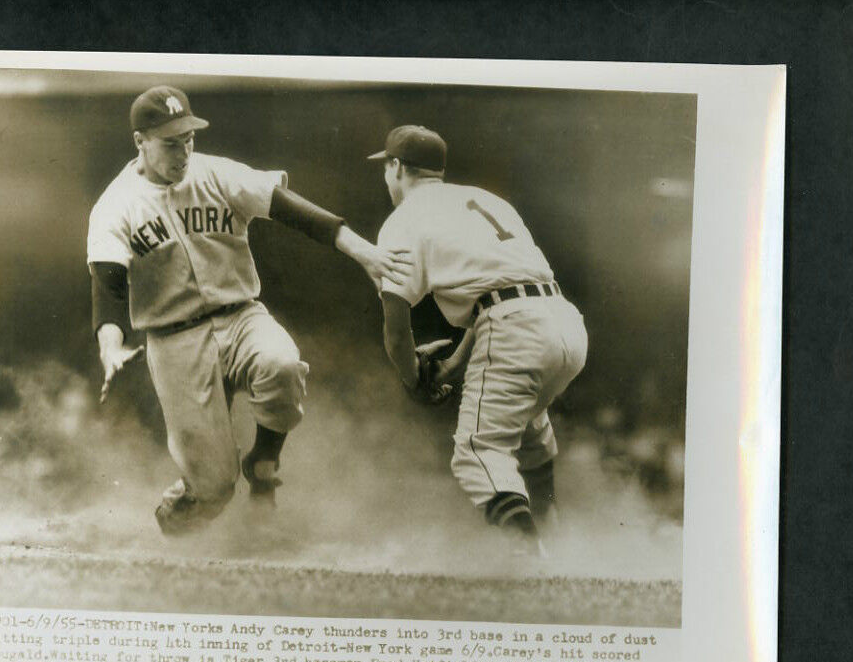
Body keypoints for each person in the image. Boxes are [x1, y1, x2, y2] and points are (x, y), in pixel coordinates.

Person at [88, 86, 409, 534]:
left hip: (240, 316)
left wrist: (362, 252)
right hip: (175, 340)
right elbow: (107, 282)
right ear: (140, 140)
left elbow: (289, 209)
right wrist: (110, 344)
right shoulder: (115, 205)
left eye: (189, 139)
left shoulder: (214, 173)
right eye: (170, 143)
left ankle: (264, 463)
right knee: (215, 489)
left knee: (282, 365)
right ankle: (169, 533)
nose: (183, 151)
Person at [368, 125, 588, 552]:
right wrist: (453, 364)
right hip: (563, 320)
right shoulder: (489, 200)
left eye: (386, 166)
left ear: (396, 167)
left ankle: (530, 562)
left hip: (515, 327)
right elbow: (498, 293)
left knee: (477, 451)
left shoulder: (402, 221)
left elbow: (397, 332)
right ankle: (557, 541)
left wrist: (414, 380)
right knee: (527, 429)